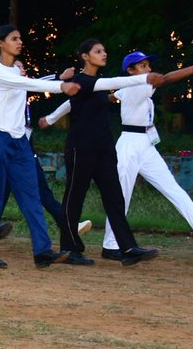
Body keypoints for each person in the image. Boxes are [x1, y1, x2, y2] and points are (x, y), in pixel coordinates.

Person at [43, 39, 165, 266]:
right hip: (81, 147)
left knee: (114, 197)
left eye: (104, 50)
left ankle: (127, 248)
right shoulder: (82, 80)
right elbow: (111, 83)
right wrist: (145, 77)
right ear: (85, 56)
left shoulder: (98, 84)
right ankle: (70, 249)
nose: (104, 54)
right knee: (74, 197)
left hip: (104, 148)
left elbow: (75, 103)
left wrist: (49, 119)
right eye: (98, 51)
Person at [0, 25, 80, 269]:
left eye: (20, 38)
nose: (20, 42)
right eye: (14, 38)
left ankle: (42, 251)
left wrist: (58, 80)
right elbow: (28, 83)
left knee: (32, 196)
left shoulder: (16, 75)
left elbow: (30, 83)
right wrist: (61, 85)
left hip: (20, 142)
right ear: (0, 43)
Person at [95, 52, 193, 250]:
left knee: (171, 187)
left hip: (146, 145)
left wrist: (99, 98)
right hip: (129, 145)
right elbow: (165, 79)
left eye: (148, 65)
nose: (148, 69)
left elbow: (112, 97)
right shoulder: (136, 86)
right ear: (130, 71)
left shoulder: (132, 87)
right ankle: (111, 244)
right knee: (121, 195)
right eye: (142, 66)